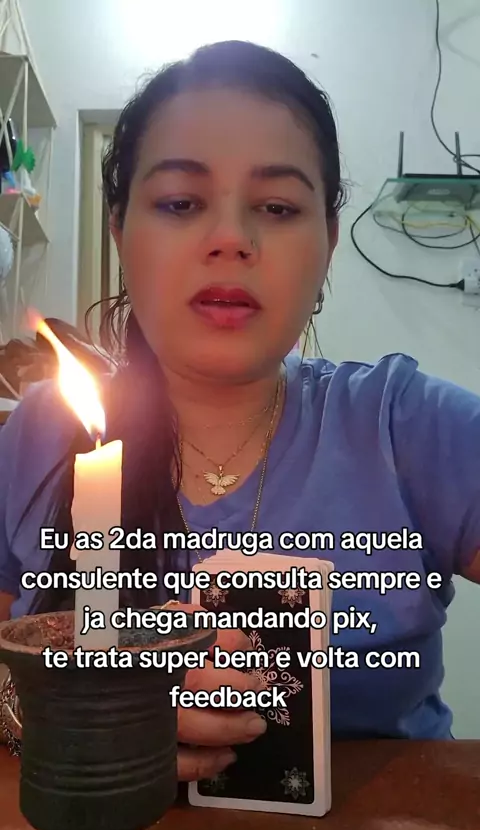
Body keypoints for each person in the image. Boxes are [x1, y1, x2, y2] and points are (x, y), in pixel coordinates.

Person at [0, 40, 479, 778]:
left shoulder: (405, 424)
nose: (231, 239)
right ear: (121, 230)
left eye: (278, 207)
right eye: (181, 203)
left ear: (327, 242)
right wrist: (31, 710)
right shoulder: (38, 434)